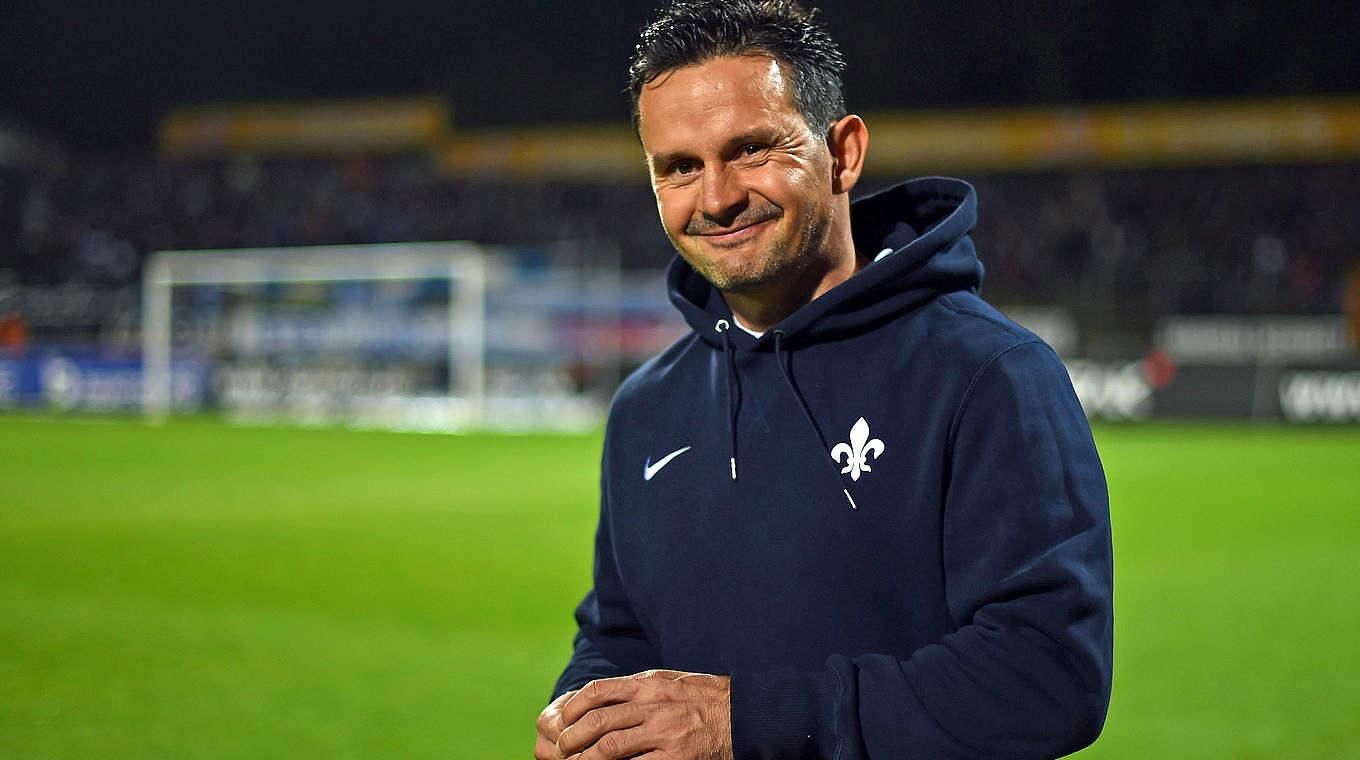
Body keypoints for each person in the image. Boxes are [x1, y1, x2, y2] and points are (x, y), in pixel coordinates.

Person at [535, 2, 1113, 758]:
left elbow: (1048, 676)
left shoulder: (988, 375)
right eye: (679, 167)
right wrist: (584, 715)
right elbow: (621, 633)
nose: (716, 198)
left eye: (750, 150)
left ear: (843, 152)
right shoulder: (647, 406)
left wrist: (745, 722)